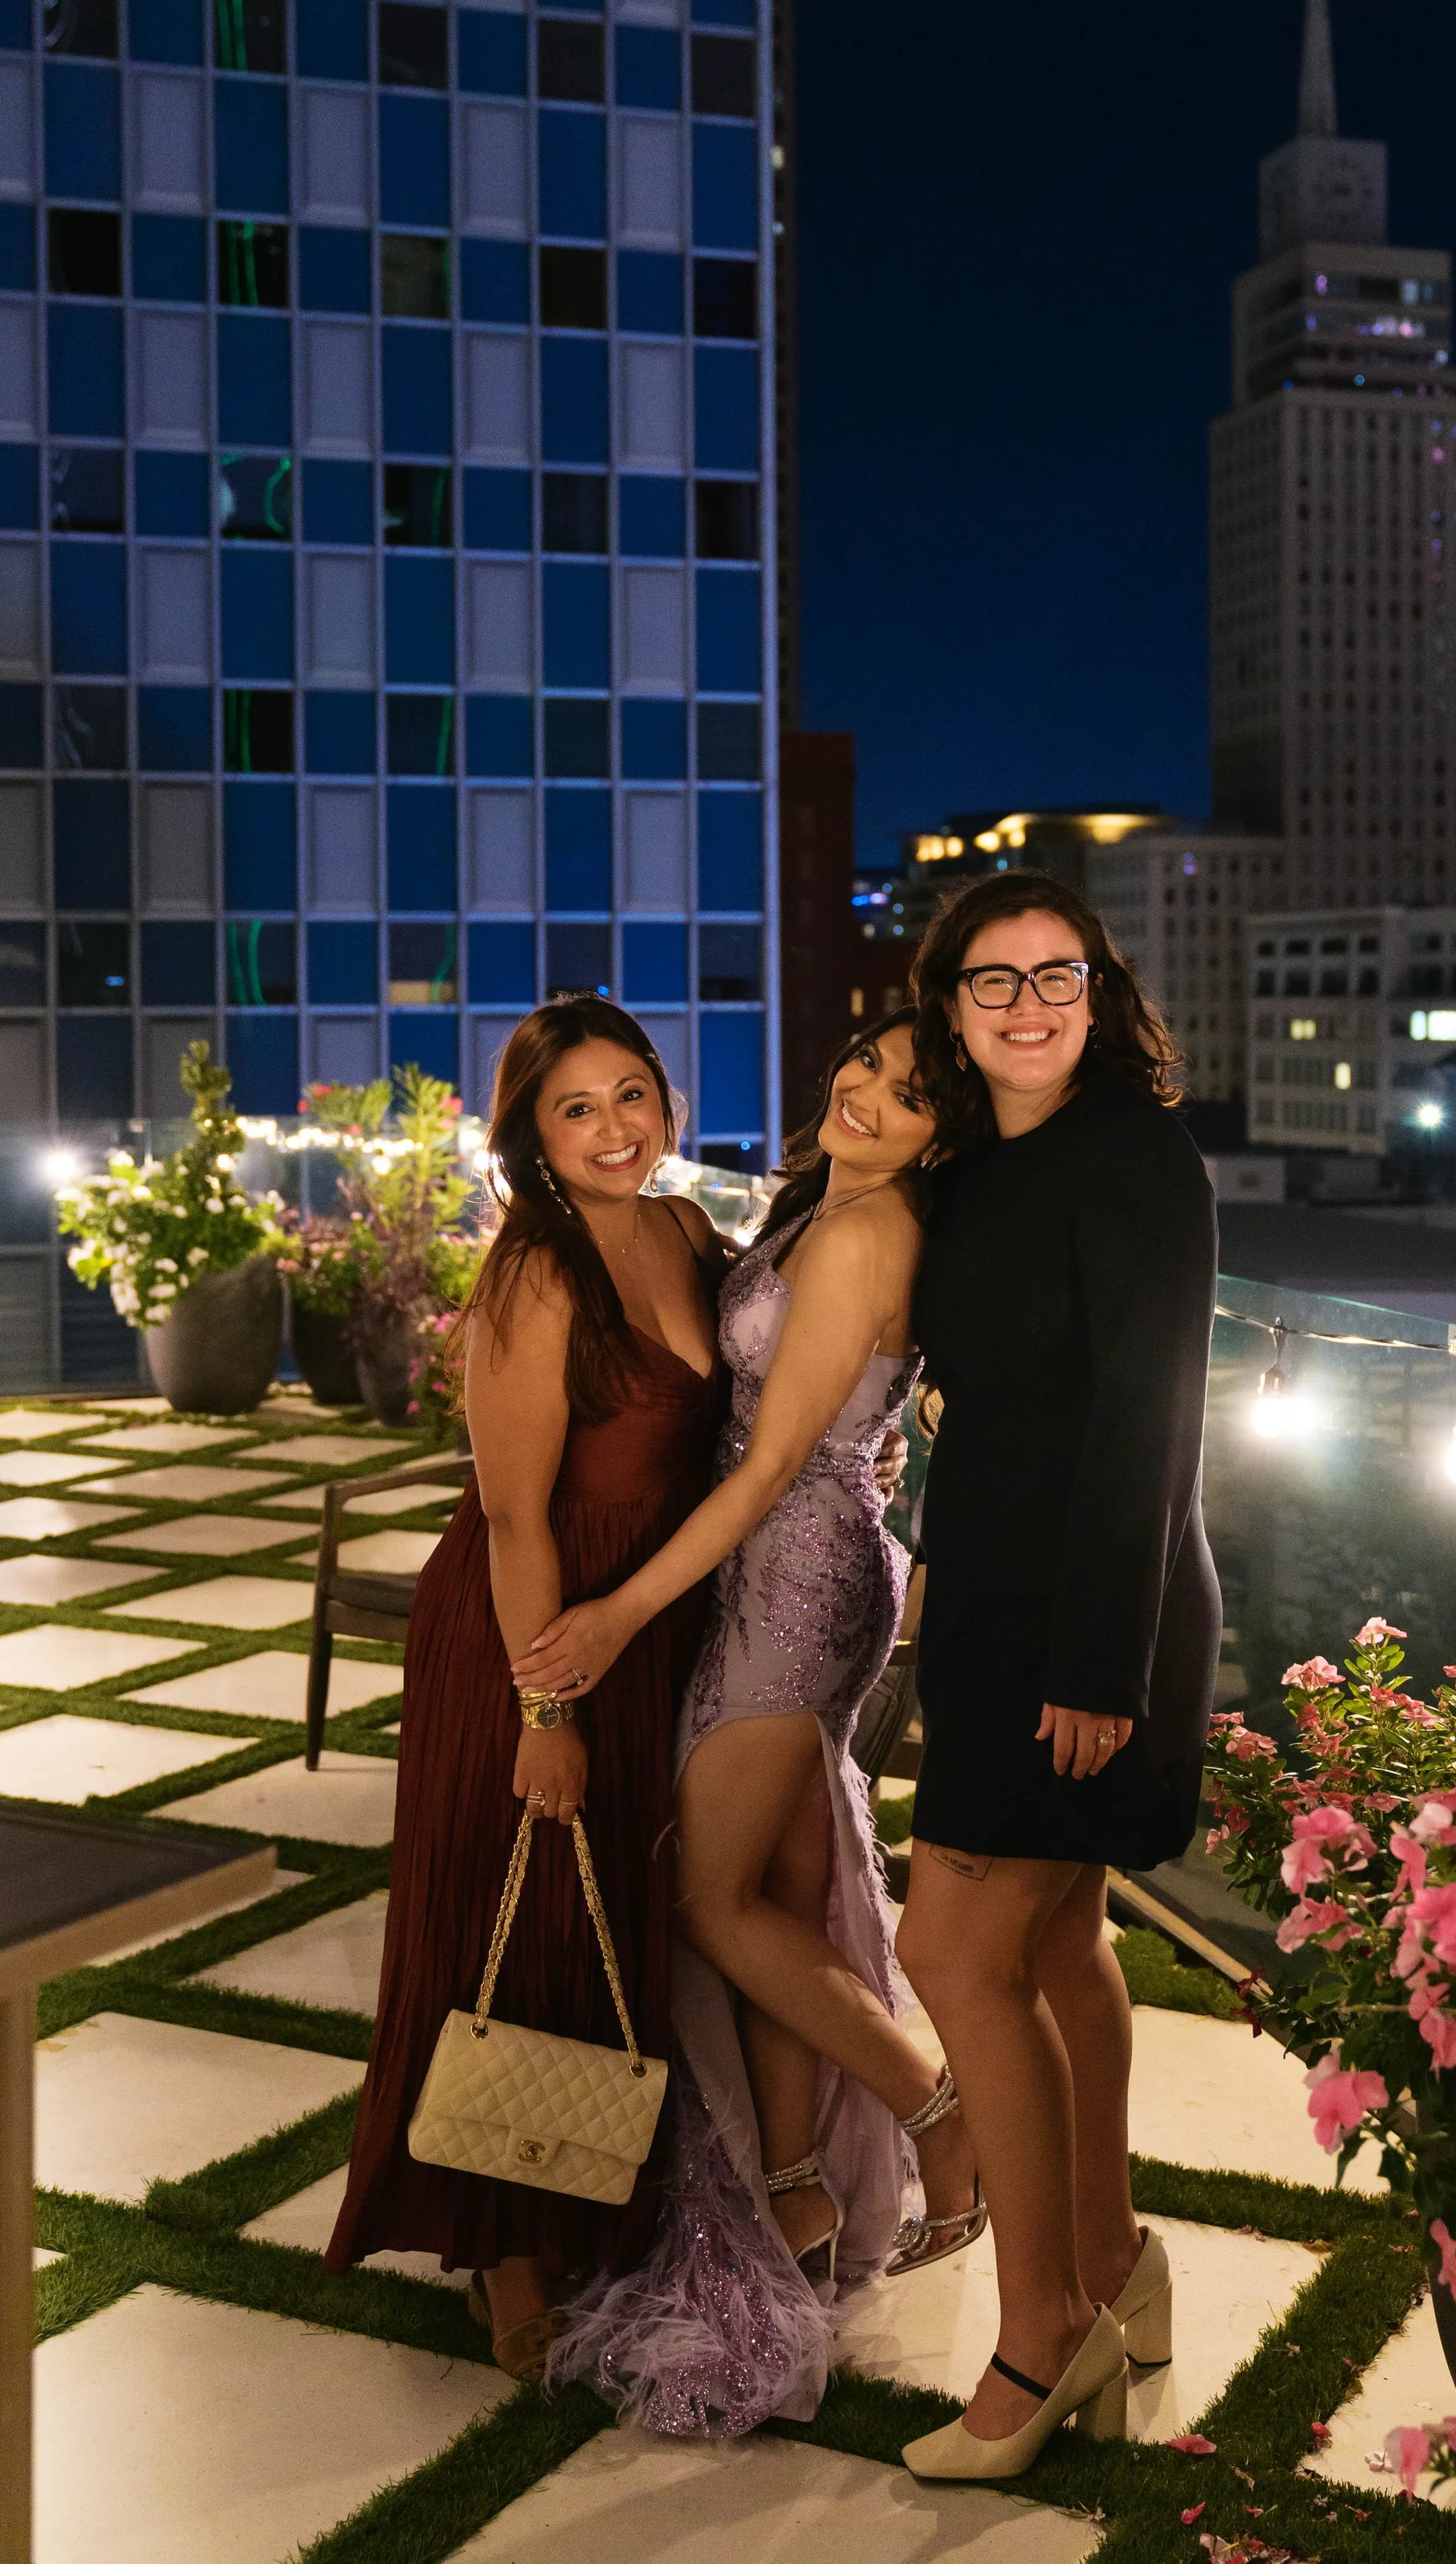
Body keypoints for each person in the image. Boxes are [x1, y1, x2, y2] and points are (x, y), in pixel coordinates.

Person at [510, 1014, 984, 2434]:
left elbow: (776, 1454)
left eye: (909, 1096)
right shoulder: (816, 1212)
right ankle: (795, 2192)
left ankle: (936, 2108)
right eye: (865, 1065)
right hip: (802, 1550)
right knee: (778, 1887)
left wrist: (611, 1616)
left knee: (713, 1901)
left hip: (790, 1568)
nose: (867, 1095)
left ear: (940, 1134)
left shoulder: (860, 1231)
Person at [324, 997, 728, 2380]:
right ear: (533, 1138)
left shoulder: (681, 1230)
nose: (618, 1128)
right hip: (535, 1623)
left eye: (635, 1094)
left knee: (615, 1907)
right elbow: (511, 1518)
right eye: (579, 1108)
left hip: (649, 1614)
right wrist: (542, 1711)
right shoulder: (535, 1273)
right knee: (517, 1907)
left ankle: (595, 2195)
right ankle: (502, 2244)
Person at [891, 870, 1220, 2483]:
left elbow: (1148, 1423)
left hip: (1089, 1622)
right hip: (993, 1603)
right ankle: (1115, 2260)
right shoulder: (970, 1163)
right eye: (992, 981)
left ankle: (1041, 2336)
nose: (1027, 1004)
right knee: (1060, 1942)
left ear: (1098, 993)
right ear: (946, 1007)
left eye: (1056, 975)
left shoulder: (1135, 1156)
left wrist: (1097, 1663)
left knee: (950, 1950)